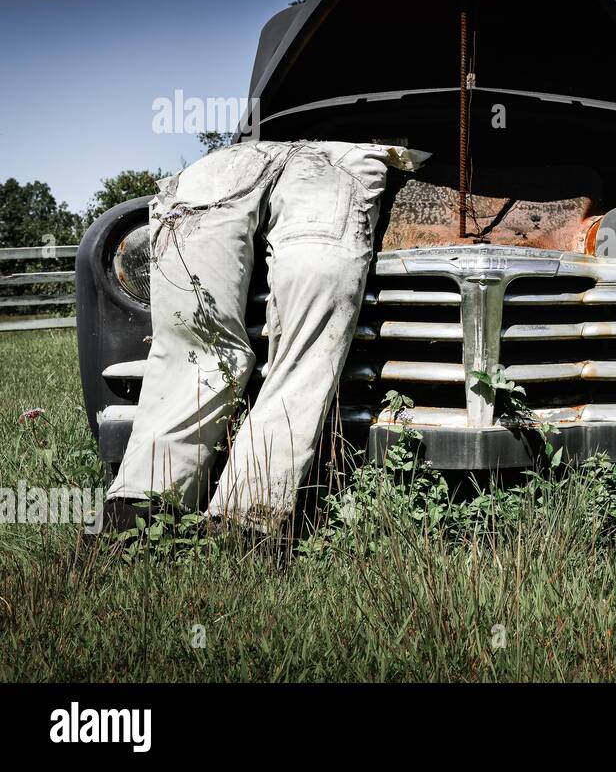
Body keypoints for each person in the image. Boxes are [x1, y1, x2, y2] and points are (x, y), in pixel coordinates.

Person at [96, 139, 425, 539]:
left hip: (223, 166)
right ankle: (246, 516)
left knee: (195, 347)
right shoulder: (347, 154)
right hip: (332, 167)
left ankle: (135, 512)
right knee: (305, 350)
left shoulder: (237, 147)